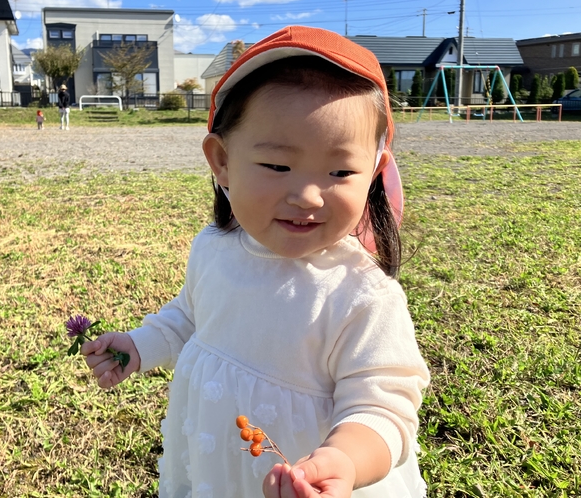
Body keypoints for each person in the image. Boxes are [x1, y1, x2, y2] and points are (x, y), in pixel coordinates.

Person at [81, 25, 430, 498]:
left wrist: (343, 460)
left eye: (341, 171)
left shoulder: (362, 295)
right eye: (278, 166)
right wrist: (140, 346)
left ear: (373, 171)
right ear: (222, 160)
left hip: (309, 482)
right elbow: (189, 317)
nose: (308, 195)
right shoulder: (215, 246)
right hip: (218, 468)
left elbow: (385, 404)